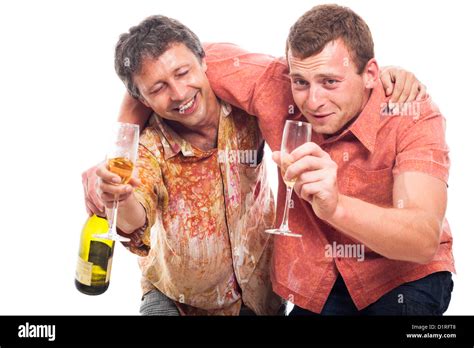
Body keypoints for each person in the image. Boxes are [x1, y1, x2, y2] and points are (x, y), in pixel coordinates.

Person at [83, 12, 427, 315]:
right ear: (142, 98)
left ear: (205, 63)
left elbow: (332, 72)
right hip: (176, 298)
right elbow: (134, 219)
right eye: (158, 88)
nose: (178, 92)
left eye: (184, 73)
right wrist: (119, 190)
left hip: (256, 298)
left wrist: (389, 77)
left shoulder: (247, 108)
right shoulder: (149, 146)